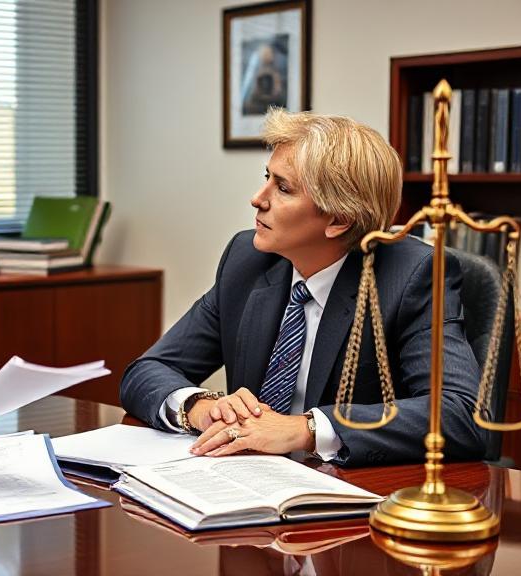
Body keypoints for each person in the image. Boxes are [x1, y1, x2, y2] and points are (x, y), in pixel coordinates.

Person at [120, 109, 485, 466]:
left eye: (283, 188)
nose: (258, 198)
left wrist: (306, 429)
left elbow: (460, 412)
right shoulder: (246, 261)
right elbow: (146, 371)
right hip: (246, 482)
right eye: (267, 177)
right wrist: (201, 407)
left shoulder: (410, 275)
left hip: (354, 497)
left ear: (339, 219)